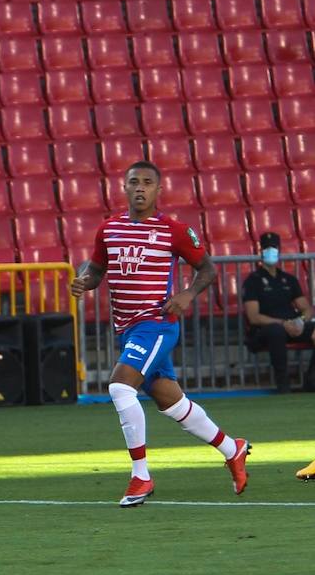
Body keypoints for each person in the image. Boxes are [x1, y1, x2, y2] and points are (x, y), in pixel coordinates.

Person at [70, 162, 249, 508]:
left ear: (158, 189)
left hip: (157, 323)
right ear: (123, 187)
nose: (140, 188)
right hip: (125, 328)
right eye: (134, 181)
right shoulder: (108, 230)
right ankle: (233, 448)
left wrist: (186, 295)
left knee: (121, 386)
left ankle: (141, 476)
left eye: (147, 182)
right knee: (171, 402)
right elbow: (95, 270)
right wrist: (83, 281)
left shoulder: (173, 230)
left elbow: (207, 269)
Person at [241, 231, 314, 393]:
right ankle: (283, 384)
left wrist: (300, 321)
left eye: (274, 247)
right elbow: (254, 317)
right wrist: (284, 323)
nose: (271, 251)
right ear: (261, 251)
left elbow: (306, 308)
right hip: (266, 329)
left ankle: (311, 381)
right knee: (276, 331)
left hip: (293, 325)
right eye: (267, 248)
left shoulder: (289, 279)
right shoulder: (253, 281)